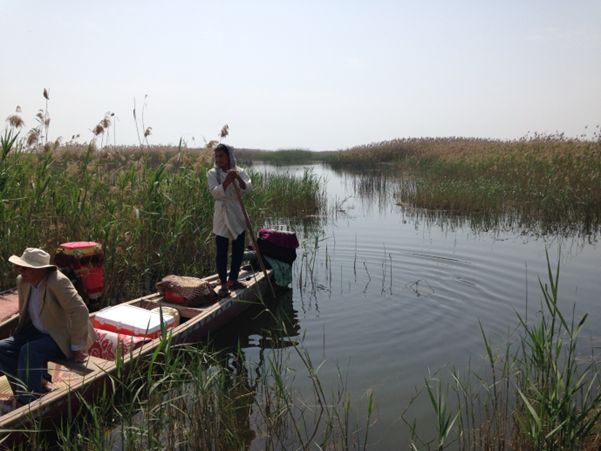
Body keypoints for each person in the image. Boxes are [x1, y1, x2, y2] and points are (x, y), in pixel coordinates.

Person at [0, 248, 96, 409]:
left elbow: (79, 310)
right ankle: (25, 389)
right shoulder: (23, 281)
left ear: (41, 270)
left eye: (25, 268)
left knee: (29, 351)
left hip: (63, 335)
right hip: (40, 331)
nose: (20, 271)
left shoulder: (57, 281)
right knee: (2, 348)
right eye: (20, 267)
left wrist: (77, 347)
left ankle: (27, 403)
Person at [207, 144, 252, 296]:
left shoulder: (240, 171)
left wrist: (236, 177)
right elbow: (215, 193)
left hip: (236, 212)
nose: (218, 159)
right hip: (221, 214)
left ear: (229, 157)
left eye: (221, 156)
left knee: (238, 248)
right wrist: (227, 181)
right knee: (221, 250)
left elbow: (247, 188)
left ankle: (233, 279)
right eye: (216, 156)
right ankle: (223, 283)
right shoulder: (212, 173)